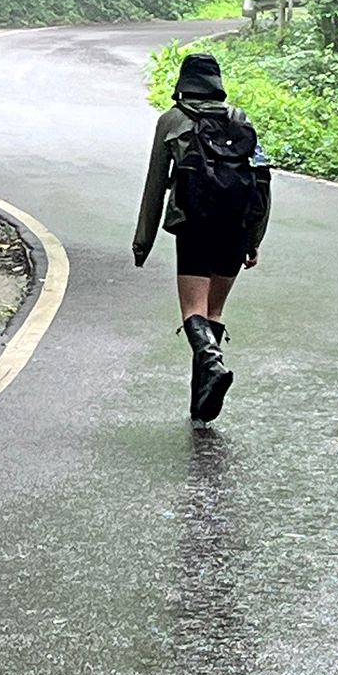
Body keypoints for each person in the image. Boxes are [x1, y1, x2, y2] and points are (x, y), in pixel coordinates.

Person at [134, 53, 272, 423]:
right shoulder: (242, 121)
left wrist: (142, 243)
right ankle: (202, 403)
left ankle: (212, 367)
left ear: (184, 84)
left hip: (195, 225)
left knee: (193, 312)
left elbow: (154, 187)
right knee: (214, 312)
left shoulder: (172, 121)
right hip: (236, 227)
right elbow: (262, 181)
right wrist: (254, 238)